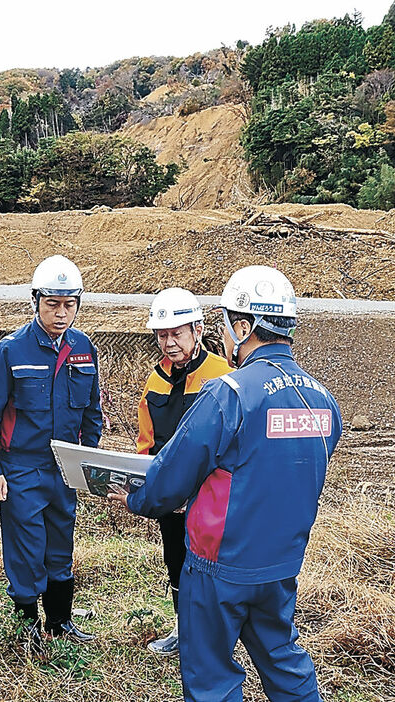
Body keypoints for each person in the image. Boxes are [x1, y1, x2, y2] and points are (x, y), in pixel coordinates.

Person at [110, 265, 342, 701]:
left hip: (219, 566)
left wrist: (137, 499)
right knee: (282, 659)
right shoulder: (324, 400)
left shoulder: (228, 393)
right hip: (280, 565)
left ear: (242, 326)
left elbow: (172, 474)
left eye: (227, 326)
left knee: (210, 676)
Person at [0, 255, 102, 650]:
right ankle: (27, 627)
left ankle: (60, 622)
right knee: (26, 547)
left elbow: (93, 414)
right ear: (35, 301)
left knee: (61, 542)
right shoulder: (11, 351)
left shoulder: (84, 349)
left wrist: (88, 463)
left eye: (70, 304)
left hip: (64, 469)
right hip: (22, 468)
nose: (61, 313)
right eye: (52, 304)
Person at [138, 287, 231, 657]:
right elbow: (147, 441)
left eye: (177, 333)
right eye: (162, 335)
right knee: (175, 561)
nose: (169, 342)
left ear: (197, 329)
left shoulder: (222, 376)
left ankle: (214, 636)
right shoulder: (155, 380)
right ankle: (183, 629)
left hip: (208, 498)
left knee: (211, 567)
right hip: (170, 498)